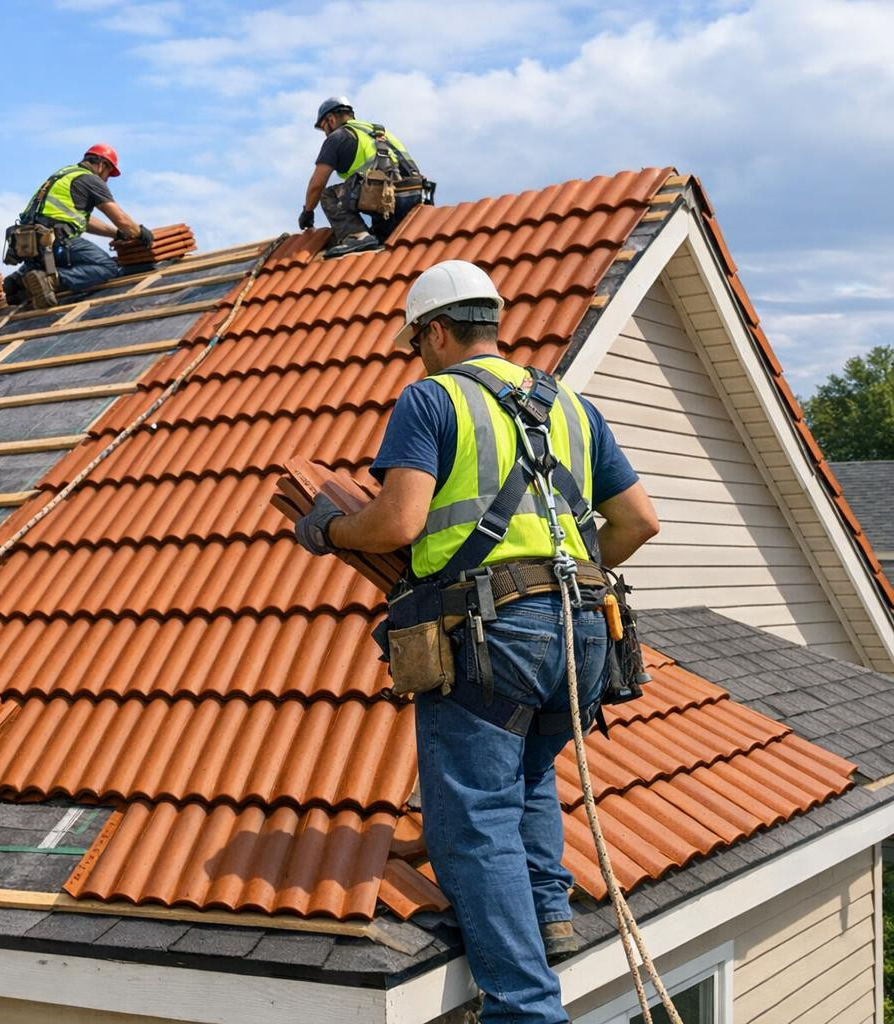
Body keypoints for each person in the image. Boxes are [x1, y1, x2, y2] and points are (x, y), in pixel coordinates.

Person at [293, 260, 659, 1023]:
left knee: (473, 818)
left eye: (415, 341)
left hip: (495, 633)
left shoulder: (431, 398)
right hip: (586, 632)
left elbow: (396, 523)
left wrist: (328, 530)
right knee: (528, 776)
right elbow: (637, 523)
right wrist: (566, 575)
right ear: (489, 320)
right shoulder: (568, 404)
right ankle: (547, 916)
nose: (417, 356)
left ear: (432, 331)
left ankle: (524, 1008)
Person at [2, 144, 153, 309]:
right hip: (55, 242)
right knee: (107, 266)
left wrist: (116, 234)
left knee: (51, 257)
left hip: (30, 244)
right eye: (109, 173)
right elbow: (121, 218)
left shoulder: (65, 174)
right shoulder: (90, 179)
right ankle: (51, 280)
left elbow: (83, 221)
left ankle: (18, 280)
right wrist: (140, 233)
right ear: (102, 164)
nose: (107, 179)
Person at [298, 97, 431, 257]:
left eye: (324, 128)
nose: (325, 134)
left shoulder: (337, 137)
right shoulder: (381, 133)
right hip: (413, 195)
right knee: (385, 244)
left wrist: (308, 212)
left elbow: (317, 184)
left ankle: (357, 236)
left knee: (328, 194)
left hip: (383, 196)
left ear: (331, 120)